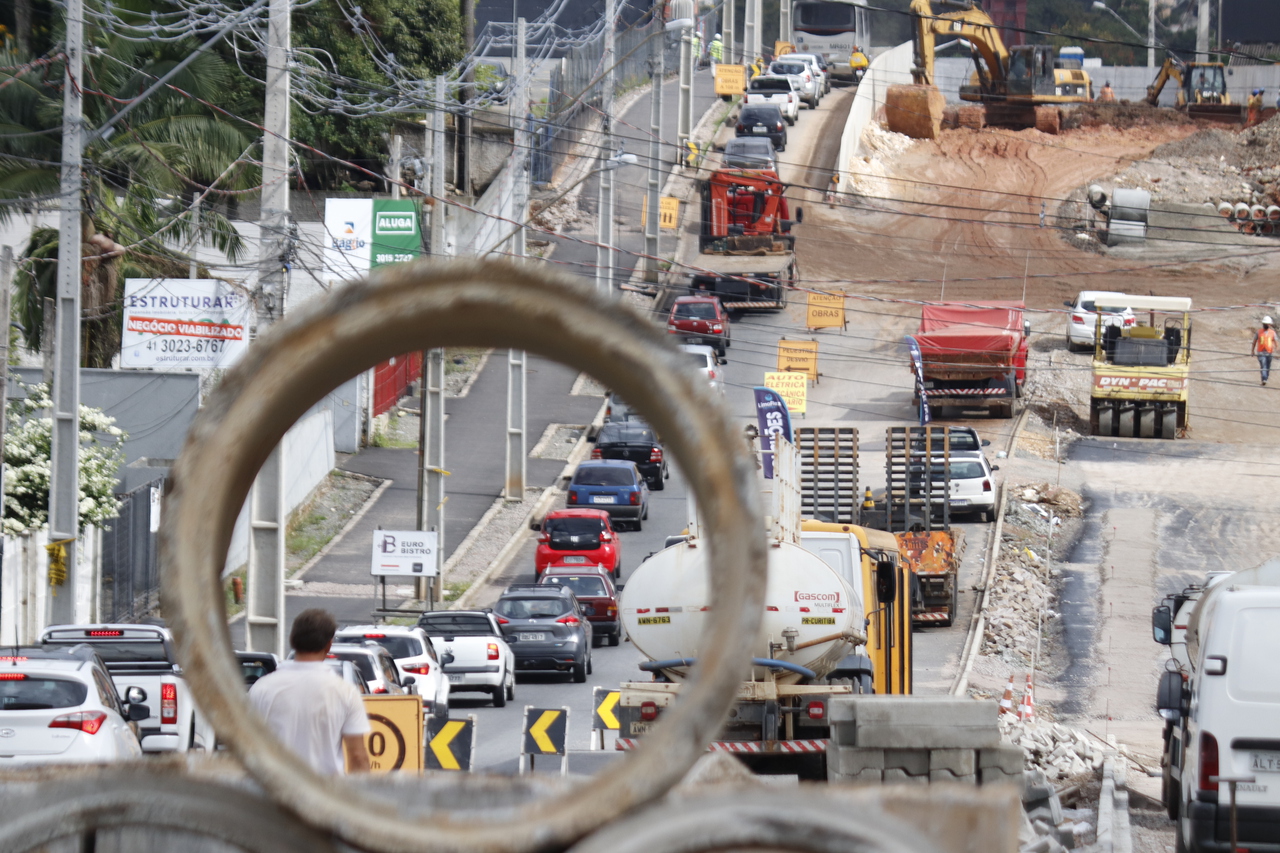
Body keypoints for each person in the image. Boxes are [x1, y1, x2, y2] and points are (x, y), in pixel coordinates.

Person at [249, 608, 371, 774]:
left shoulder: (261, 689)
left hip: (273, 794)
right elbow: (358, 757)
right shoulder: (345, 692)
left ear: (292, 639)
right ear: (329, 645)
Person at [1253, 316, 1278, 386]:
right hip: (1261, 352)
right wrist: (1252, 351)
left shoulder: (1272, 333)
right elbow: (1254, 341)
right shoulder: (1259, 332)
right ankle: (1264, 379)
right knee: (1263, 365)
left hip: (1269, 352)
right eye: (1265, 324)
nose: (1266, 325)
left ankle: (1265, 378)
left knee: (1268, 366)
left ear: (1269, 325)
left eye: (1267, 324)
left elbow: (1276, 342)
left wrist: (1278, 350)